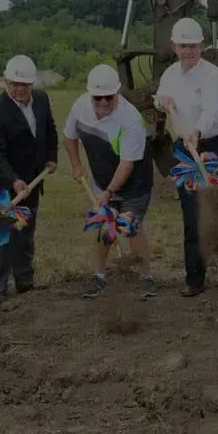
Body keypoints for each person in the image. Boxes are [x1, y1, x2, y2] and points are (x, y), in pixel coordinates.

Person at [153, 17, 218, 297]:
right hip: (185, 149)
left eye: (193, 46)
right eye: (183, 46)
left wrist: (198, 131)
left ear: (201, 46)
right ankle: (194, 279)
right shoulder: (169, 75)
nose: (188, 51)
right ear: (174, 47)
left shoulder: (211, 73)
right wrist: (161, 101)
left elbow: (213, 108)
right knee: (192, 213)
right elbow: (159, 98)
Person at [63, 64, 156, 299]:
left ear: (117, 94)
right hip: (101, 176)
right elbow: (69, 135)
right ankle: (99, 277)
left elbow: (126, 165)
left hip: (134, 182)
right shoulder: (79, 106)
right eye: (98, 98)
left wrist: (109, 192)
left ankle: (146, 277)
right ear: (89, 95)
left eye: (109, 98)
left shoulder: (130, 120)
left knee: (130, 226)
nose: (104, 103)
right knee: (103, 226)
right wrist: (76, 165)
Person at [0, 55, 59, 303]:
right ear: (5, 81)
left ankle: (25, 280)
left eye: (24, 85)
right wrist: (13, 181)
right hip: (2, 183)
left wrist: (51, 156)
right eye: (13, 84)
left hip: (33, 179)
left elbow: (50, 130)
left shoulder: (42, 100)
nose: (19, 89)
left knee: (25, 232)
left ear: (32, 84)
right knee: (2, 235)